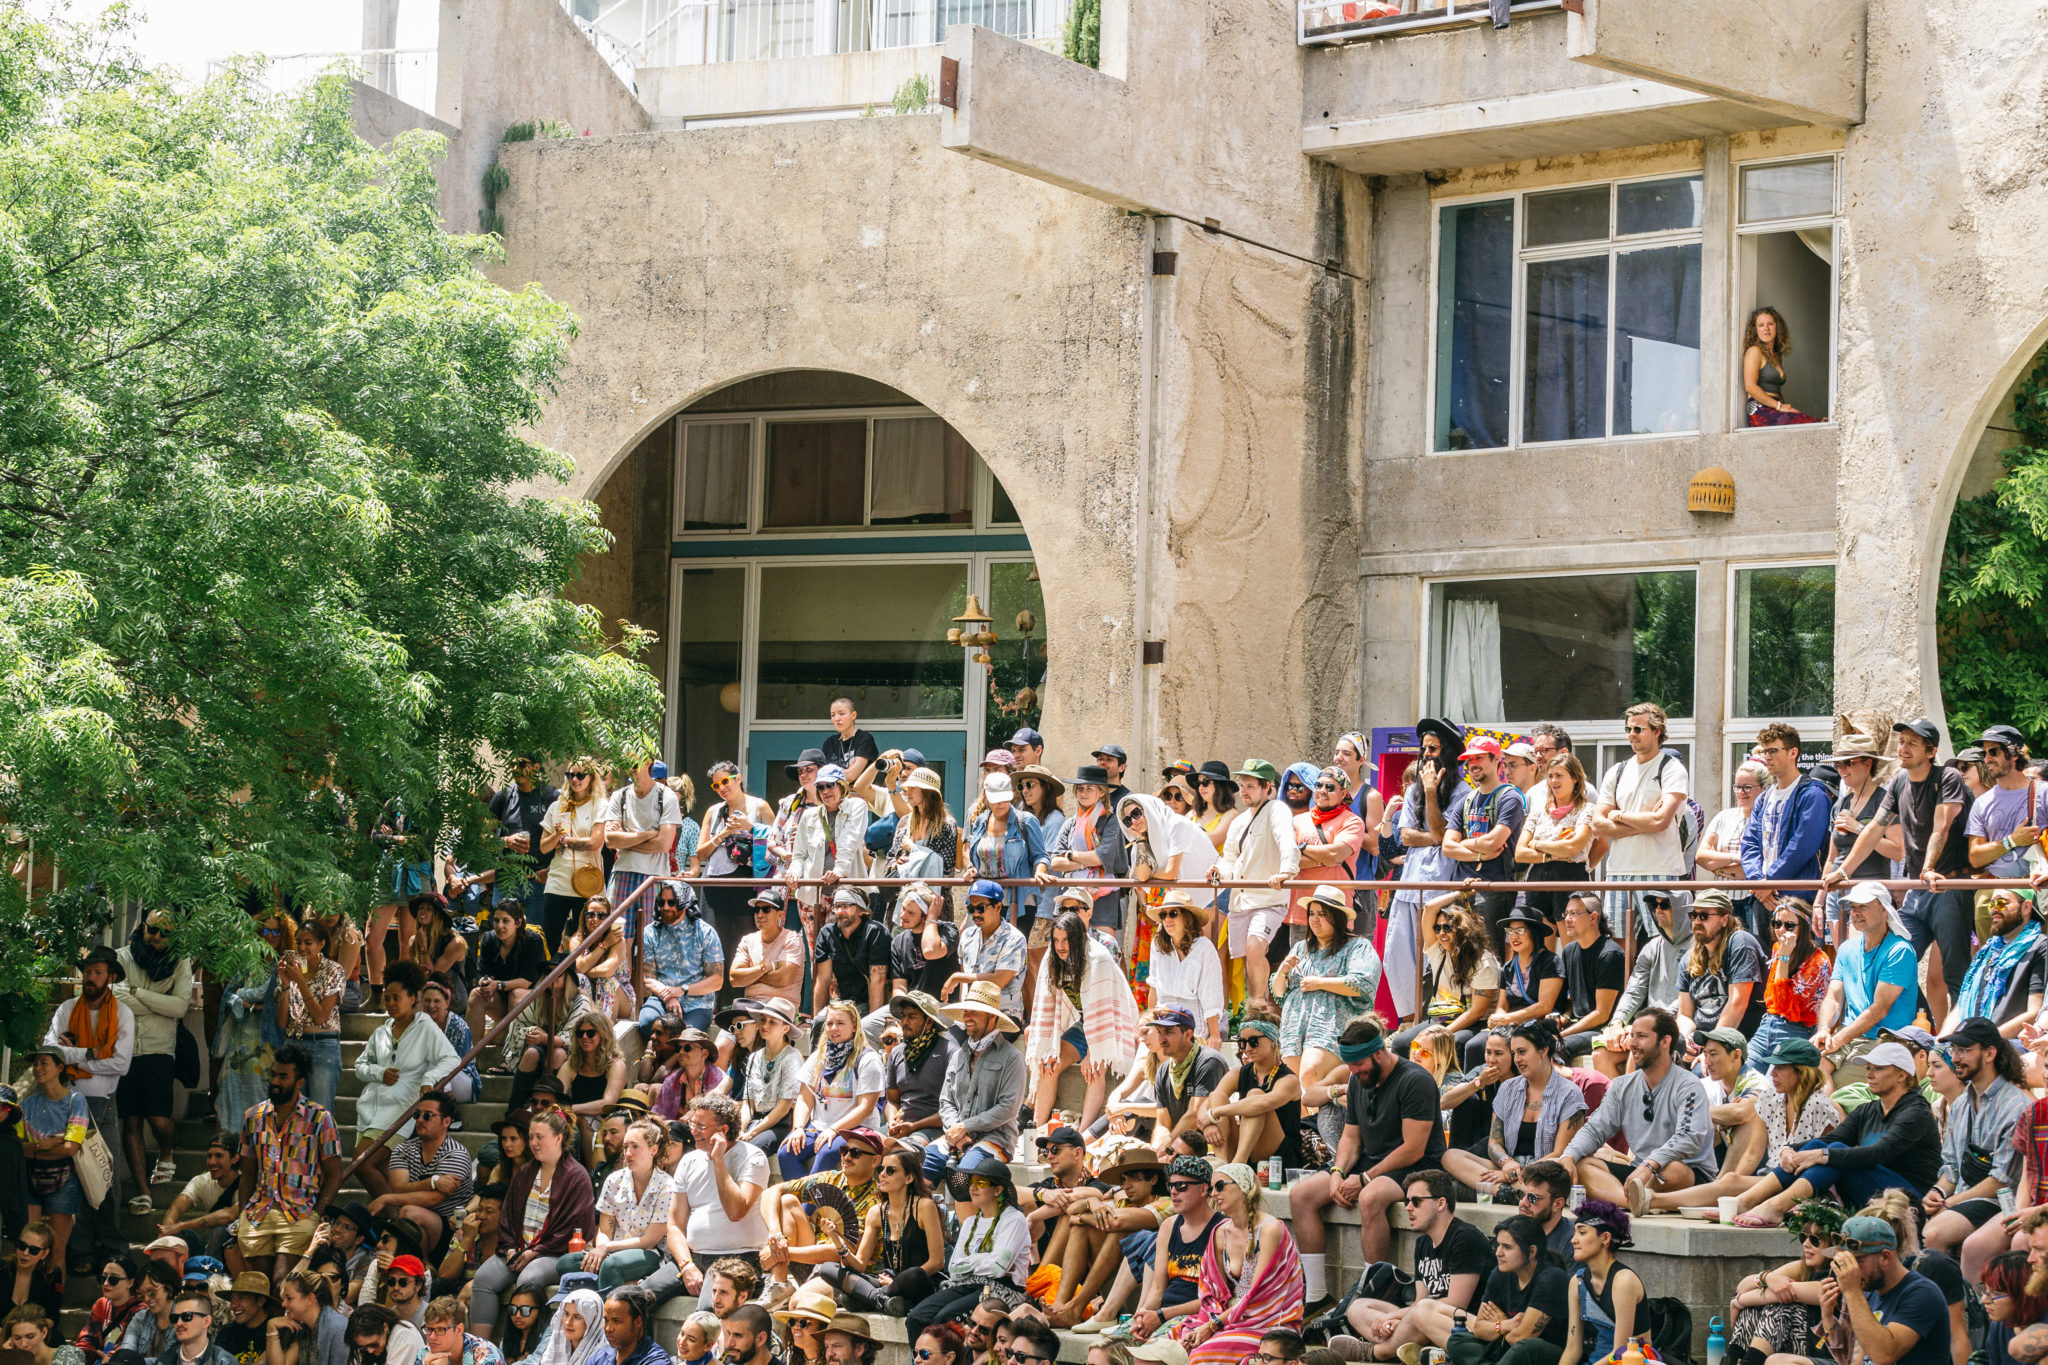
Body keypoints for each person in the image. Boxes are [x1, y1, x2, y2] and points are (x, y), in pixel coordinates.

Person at [1826, 719, 1974, 1028]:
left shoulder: (1947, 777)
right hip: (1919, 891)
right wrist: (1844, 870)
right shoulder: (1898, 782)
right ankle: (1922, 1028)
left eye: (1911, 743)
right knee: (1892, 956)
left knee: (1955, 973)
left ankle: (1964, 1040)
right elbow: (1874, 829)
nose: (1902, 748)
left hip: (1948, 887)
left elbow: (1941, 827)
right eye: (1901, 741)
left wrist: (1929, 868)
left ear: (1931, 751)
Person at [1287, 1017, 1445, 1308]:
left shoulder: (1415, 1080)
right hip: (1370, 1162)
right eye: (1349, 1064)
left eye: (1358, 1063)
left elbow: (1413, 1148)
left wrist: (1364, 1179)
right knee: (1301, 1194)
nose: (1353, 1071)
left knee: (1371, 1197)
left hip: (1416, 1165)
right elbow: (1351, 1138)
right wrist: (1337, 1171)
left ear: (1378, 1053)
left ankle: (1374, 1296)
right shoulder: (1357, 1079)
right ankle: (1317, 1296)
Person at [1732, 1039, 1940, 1227]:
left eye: (1878, 1068)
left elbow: (1879, 1152)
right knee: (1820, 1147)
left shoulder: (1916, 1112)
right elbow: (1829, 1139)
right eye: (1868, 1068)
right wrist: (1790, 1149)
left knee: (1833, 1153)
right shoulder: (1868, 1109)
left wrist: (1822, 1155)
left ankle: (1776, 1206)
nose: (1869, 1074)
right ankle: (1746, 1201)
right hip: (1873, 1192)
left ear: (1902, 1076)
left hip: (1909, 1201)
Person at [1559, 1007, 1715, 1216]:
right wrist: (1569, 1154)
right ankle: (1636, 1203)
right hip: (1639, 1175)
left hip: (1683, 1174)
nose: (1632, 1043)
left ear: (1665, 1041)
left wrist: (1650, 1164)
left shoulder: (1689, 1085)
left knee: (1673, 1170)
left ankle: (1641, 1198)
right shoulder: (1622, 1085)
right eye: (1632, 1035)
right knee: (1583, 1164)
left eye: (1641, 1036)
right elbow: (1596, 1129)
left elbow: (1689, 1138)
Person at [45, 946, 135, 1266]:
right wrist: (92, 1052)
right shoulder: (67, 1008)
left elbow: (121, 1064)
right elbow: (51, 1052)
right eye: (87, 972)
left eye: (97, 972)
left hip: (103, 1102)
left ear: (111, 977)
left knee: (105, 1175)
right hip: (69, 1101)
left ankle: (112, 1247)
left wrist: (74, 1054)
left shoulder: (123, 1013)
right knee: (73, 1178)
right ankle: (80, 1250)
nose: (90, 978)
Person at [466, 1110, 594, 1333]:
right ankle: (482, 1350)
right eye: (531, 1137)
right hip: (519, 1249)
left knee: (529, 1277)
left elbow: (572, 1229)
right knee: (484, 1278)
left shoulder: (577, 1176)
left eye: (539, 1137)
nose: (533, 1143)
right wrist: (510, 1248)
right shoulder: (525, 1173)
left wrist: (535, 1252)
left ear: (558, 1138)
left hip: (555, 1254)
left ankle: (529, 1345)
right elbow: (508, 1217)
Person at [1068, 1152, 1220, 1336]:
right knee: (1106, 1348)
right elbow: (1157, 1290)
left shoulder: (1220, 1230)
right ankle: (1071, 1307)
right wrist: (1141, 1317)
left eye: (1181, 1186)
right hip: (1162, 1310)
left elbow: (1215, 1299)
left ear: (1204, 1189)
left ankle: (1090, 1310)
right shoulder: (1168, 1225)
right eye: (1171, 1185)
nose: (1173, 1191)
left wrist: (1161, 1315)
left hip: (1191, 1317)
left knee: (1140, 1236)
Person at [1169, 1162, 1303, 1365]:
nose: (1213, 1193)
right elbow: (1212, 1293)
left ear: (1242, 1186)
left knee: (1200, 1356)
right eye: (1212, 1188)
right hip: (1228, 1318)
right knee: (1173, 1343)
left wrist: (1212, 1326)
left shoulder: (1270, 1229)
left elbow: (1258, 1297)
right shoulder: (1220, 1232)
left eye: (1220, 1186)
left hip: (1268, 1323)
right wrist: (1206, 1324)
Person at [233, 1045, 343, 1284]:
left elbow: (334, 1173)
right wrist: (243, 1212)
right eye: (273, 1074)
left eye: (283, 1077)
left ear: (299, 1081)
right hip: (258, 1212)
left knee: (283, 1282)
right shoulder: (254, 1116)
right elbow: (248, 1172)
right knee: (258, 1286)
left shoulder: (320, 1119)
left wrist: (318, 1211)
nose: (275, 1081)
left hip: (300, 1212)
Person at [1921, 1019, 2032, 1256]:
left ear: (1990, 1053)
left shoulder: (2015, 1105)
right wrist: (1938, 1193)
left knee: (1933, 1233)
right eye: (1954, 1050)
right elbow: (1951, 1167)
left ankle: (1958, 1293)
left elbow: (2002, 1181)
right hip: (1964, 1197)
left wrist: (1951, 1203)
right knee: (1904, 1219)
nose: (1956, 1058)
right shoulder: (1961, 1103)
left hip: (2001, 1202)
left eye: (1965, 1050)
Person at [351, 964, 460, 1201]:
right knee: (380, 1170)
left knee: (362, 1163)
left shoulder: (424, 1026)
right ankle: (395, 1224)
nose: (390, 1003)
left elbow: (452, 1058)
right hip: (369, 1109)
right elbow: (359, 1066)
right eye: (387, 998)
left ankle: (389, 1214)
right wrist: (379, 1073)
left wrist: (429, 1078)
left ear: (412, 998)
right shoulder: (381, 1031)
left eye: (396, 998)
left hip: (400, 1108)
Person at [1024, 911, 1139, 1132]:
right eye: (1056, 940)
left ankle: (1084, 1133)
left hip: (1112, 1020)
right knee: (1049, 1064)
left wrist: (1090, 1054)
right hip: (1084, 1022)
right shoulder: (1053, 957)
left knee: (1094, 1068)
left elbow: (1103, 1013)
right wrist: (1050, 1044)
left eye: (1066, 940)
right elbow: (1046, 1003)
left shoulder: (1099, 958)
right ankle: (1036, 1130)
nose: (1060, 946)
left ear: (1078, 938)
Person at [1273, 885, 1379, 1125]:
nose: (1315, 919)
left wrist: (1320, 983)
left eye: (1322, 914)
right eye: (1312, 913)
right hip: (1295, 1027)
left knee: (1311, 1071)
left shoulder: (1357, 946)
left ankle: (1325, 1132)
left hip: (1331, 1024)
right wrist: (1282, 971)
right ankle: (1307, 1139)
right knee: (1293, 1089)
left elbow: (1362, 983)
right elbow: (1278, 991)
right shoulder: (1301, 948)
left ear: (1337, 916)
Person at [1385, 721, 1468, 1026]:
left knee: (1437, 959)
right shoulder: (1413, 793)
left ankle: (1437, 1023)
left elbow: (1439, 831)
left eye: (1433, 749)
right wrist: (1434, 836)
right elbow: (1405, 836)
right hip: (1409, 886)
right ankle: (1409, 1022)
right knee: (1397, 959)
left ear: (1447, 754)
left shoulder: (1463, 793)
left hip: (1440, 890)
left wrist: (1432, 795)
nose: (1426, 756)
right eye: (1423, 750)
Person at [1788, 1215, 1952, 1365]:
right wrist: (1828, 1316)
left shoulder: (1922, 1294)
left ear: (1885, 1257)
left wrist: (1852, 1293)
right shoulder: (1868, 1290)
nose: (1851, 1271)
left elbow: (1884, 1356)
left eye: (1857, 1261)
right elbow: (1850, 1358)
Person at [113, 910, 193, 1217]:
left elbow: (180, 1006)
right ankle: (142, 1191)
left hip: (159, 1050)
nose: (157, 937)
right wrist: (158, 1002)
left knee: (159, 1120)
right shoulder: (122, 957)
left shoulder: (180, 961)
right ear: (143, 926)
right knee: (131, 1120)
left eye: (165, 933)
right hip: (125, 1050)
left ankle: (167, 1152)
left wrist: (137, 993)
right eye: (153, 929)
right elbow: (114, 998)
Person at [1589, 704, 1690, 942]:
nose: (1631, 734)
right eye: (1628, 728)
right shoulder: (1617, 770)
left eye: (1638, 728)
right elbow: (1596, 825)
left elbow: (1661, 820)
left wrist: (1618, 815)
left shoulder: (1671, 767)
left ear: (1657, 731)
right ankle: (1625, 983)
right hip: (1619, 871)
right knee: (1617, 944)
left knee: (1665, 941)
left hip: (1660, 870)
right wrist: (1645, 822)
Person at [654, 1099, 767, 1308]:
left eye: (701, 1127)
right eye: (692, 1125)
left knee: (707, 1309)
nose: (694, 1132)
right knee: (634, 1299)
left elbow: (736, 1211)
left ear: (723, 1130)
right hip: (694, 1258)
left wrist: (718, 1160)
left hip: (738, 1259)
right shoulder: (689, 1161)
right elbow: (675, 1225)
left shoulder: (753, 1157)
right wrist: (686, 1265)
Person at [1207, 761, 1301, 1011]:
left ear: (1266, 787)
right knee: (1247, 956)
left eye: (1251, 785)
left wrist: (1287, 871)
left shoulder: (1278, 810)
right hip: (1241, 899)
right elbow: (1229, 858)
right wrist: (1219, 870)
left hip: (1268, 898)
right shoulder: (1239, 821)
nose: (1245, 791)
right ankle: (1253, 1006)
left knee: (1255, 945)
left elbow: (1286, 841)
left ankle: (1259, 1006)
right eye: (1242, 786)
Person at [905, 1154, 1033, 1334]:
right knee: (916, 1317)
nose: (972, 1188)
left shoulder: (1014, 1219)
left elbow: (998, 1269)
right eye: (972, 1182)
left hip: (1004, 1290)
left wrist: (971, 1262)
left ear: (997, 1190)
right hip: (966, 1285)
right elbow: (954, 1269)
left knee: (943, 1320)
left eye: (980, 1183)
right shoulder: (970, 1222)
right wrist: (984, 1259)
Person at [813, 1149, 946, 1315]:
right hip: (887, 1282)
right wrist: (835, 1238)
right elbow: (860, 1264)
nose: (882, 1174)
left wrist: (894, 1283)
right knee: (827, 1269)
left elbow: (937, 1262)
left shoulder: (924, 1206)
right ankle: (882, 1300)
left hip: (919, 1283)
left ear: (909, 1178)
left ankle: (869, 1298)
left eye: (890, 1170)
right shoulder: (877, 1212)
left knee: (914, 1273)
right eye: (881, 1169)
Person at [1811, 881, 1918, 1087]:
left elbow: (1878, 1010)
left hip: (1886, 1040)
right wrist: (1824, 1029)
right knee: (1808, 1072)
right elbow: (1833, 997)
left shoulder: (1900, 951)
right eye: (1852, 907)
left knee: (1831, 1081)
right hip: (1849, 1037)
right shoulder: (1847, 948)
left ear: (1884, 909)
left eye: (1863, 906)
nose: (1855, 912)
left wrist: (1837, 1039)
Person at [921, 984, 1027, 1186]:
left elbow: (1008, 1109)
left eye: (974, 1012)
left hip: (997, 1139)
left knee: (965, 1175)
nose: (967, 1017)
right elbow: (946, 1102)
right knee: (916, 1169)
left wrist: (965, 1127)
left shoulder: (1012, 1058)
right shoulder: (960, 1055)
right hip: (956, 1136)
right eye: (965, 1012)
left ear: (992, 1017)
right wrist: (957, 1131)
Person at [551, 1117, 672, 1292]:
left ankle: (606, 1313)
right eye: (625, 1147)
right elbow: (605, 1230)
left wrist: (607, 1247)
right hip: (614, 1250)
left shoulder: (666, 1186)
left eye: (635, 1147)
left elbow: (648, 1241)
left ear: (653, 1149)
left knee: (611, 1265)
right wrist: (602, 1247)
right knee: (566, 1263)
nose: (628, 1153)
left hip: (650, 1253)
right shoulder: (614, 1180)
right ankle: (618, 1281)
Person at [1739, 724, 1834, 938]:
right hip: (1764, 898)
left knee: (1802, 966)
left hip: (1798, 899)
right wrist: (1757, 883)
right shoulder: (1764, 797)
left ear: (1793, 753)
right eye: (1764, 752)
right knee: (1768, 967)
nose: (1767, 757)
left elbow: (1802, 846)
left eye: (1773, 751)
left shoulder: (1812, 794)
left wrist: (1770, 882)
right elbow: (1750, 842)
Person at [778, 999, 884, 1179]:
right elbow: (805, 1098)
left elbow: (865, 1108)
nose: (833, 1028)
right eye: (830, 1023)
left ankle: (803, 1207)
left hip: (856, 1128)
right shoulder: (818, 1057)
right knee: (785, 1152)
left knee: (826, 1153)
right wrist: (798, 1128)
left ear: (854, 1026)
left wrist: (835, 1129)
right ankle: (806, 1204)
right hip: (819, 1126)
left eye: (840, 1023)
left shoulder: (868, 1060)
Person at [1486, 1023, 1588, 1200]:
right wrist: (1506, 1162)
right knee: (1452, 1157)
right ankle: (1514, 1192)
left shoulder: (1569, 1093)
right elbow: (1494, 1141)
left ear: (1543, 1050)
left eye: (1522, 1052)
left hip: (1545, 1173)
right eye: (1514, 1053)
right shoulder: (1507, 1088)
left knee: (1463, 1185)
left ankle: (1511, 1190)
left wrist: (1517, 1174)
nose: (1516, 1059)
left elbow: (1560, 1154)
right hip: (1510, 1167)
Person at [1441, 740, 1527, 945]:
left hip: (1493, 889)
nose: (1473, 763)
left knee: (1489, 956)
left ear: (1496, 759)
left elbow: (1494, 841)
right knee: (1456, 956)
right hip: (1459, 887)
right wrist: (1479, 853)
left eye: (1479, 757)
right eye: (1469, 759)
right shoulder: (1465, 800)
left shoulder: (1510, 798)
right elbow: (1447, 847)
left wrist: (1464, 842)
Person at [1394, 896, 1498, 1062]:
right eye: (1437, 928)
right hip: (1442, 1018)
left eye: (1447, 927)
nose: (1441, 933)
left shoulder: (1483, 961)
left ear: (1462, 929)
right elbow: (1428, 908)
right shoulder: (1439, 952)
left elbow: (1477, 1012)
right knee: (1402, 1043)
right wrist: (1459, 893)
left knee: (1452, 1043)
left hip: (1474, 1023)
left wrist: (1444, 1033)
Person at [371, 1092, 472, 1253]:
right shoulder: (403, 1149)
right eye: (417, 1114)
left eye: (427, 1116)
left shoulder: (456, 1154)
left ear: (446, 1121)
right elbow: (399, 1188)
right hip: (409, 1226)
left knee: (409, 1212)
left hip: (450, 1231)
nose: (419, 1120)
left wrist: (387, 1198)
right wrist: (433, 1182)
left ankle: (421, 1269)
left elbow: (433, 1199)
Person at [1194, 1016, 1301, 1169]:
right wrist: (1208, 1126)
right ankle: (1222, 1165)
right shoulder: (1238, 1073)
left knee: (1255, 1097)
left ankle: (1238, 1166)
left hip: (1280, 1158)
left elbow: (1263, 1103)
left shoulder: (1289, 1079)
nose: (1247, 1048)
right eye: (1242, 1043)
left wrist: (1214, 1113)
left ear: (1272, 1040)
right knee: (1216, 1096)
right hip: (1247, 1149)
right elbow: (1208, 1103)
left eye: (1253, 1041)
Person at [21, 1051, 90, 1278]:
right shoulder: (28, 1104)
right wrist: (47, 1146)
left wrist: (34, 1150)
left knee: (56, 1251)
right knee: (28, 1249)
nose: (38, 1068)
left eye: (44, 1063)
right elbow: (18, 1148)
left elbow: (70, 1148)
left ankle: (53, 1306)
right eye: (35, 1064)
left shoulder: (75, 1100)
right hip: (30, 1180)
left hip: (65, 1180)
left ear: (60, 1067)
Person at [1749, 896, 1833, 1072]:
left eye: (1789, 925)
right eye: (1776, 924)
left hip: (1795, 1031)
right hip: (1767, 1026)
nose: (1781, 930)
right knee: (1743, 1077)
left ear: (1804, 927)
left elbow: (1783, 1005)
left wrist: (1784, 958)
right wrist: (1783, 955)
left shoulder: (1819, 961)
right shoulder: (1778, 948)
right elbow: (1770, 997)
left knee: (1774, 1086)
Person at [1947, 888, 2045, 1036]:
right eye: (1991, 905)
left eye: (2000, 903)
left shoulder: (2040, 946)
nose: (1993, 909)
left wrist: (1987, 1040)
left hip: (2009, 1043)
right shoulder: (1987, 951)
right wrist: (1941, 1041)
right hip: (1973, 1041)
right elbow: (1960, 1007)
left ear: (2026, 907)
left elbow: (2034, 1011)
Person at [1516, 755, 1598, 930]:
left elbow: (1572, 847)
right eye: (1550, 776)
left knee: (1572, 941)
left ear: (1575, 778)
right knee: (1539, 943)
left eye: (1559, 775)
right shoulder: (1539, 810)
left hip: (1570, 876)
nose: (1553, 780)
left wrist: (1536, 844)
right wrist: (1553, 854)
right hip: (1537, 878)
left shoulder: (1587, 809)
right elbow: (1520, 853)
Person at [1554, 1201, 1640, 1365]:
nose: (1573, 1240)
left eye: (1582, 1232)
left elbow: (1621, 1352)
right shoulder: (1577, 1282)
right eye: (1574, 1233)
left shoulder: (1623, 1281)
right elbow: (1573, 1349)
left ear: (1605, 1238)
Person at [602, 763, 684, 935]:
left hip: (655, 875)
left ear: (648, 763)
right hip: (623, 871)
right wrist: (648, 834)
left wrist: (625, 839)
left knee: (651, 939)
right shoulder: (620, 795)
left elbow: (663, 844)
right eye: (626, 762)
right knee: (618, 936)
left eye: (635, 763)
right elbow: (610, 840)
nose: (631, 768)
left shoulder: (666, 795)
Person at [467, 905, 550, 1074]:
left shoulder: (533, 940)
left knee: (516, 994)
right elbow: (484, 973)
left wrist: (497, 984)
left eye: (506, 921)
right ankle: (470, 1059)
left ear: (518, 922)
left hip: (532, 1006)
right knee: (476, 995)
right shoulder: (489, 939)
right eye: (496, 920)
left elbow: (527, 982)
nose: (499, 926)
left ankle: (510, 1060)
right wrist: (485, 984)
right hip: (503, 1005)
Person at [1676, 888, 1765, 1039]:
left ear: (1724, 920)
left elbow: (1737, 1004)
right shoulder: (1688, 958)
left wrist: (1711, 1045)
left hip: (1737, 1039)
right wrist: (1685, 1040)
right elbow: (1685, 1014)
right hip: (1701, 1039)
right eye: (1694, 915)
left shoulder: (1740, 942)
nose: (1697, 921)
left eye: (1704, 916)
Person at [1288, 768, 1365, 943]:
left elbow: (1334, 854)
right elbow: (1289, 859)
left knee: (1334, 968)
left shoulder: (1352, 822)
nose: (1322, 790)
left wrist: (1300, 847)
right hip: (1301, 910)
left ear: (1343, 793)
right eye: (1318, 785)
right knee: (1299, 966)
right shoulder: (1297, 821)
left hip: (1335, 911)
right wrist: (1325, 861)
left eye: (1330, 787)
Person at [638, 883, 724, 1035]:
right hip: (661, 997)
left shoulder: (705, 932)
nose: (665, 907)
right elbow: (647, 977)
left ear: (685, 904)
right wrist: (668, 996)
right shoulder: (650, 932)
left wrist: (680, 991)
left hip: (697, 1002)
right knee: (647, 1022)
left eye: (672, 903)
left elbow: (717, 980)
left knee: (686, 1036)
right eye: (661, 902)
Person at [882, 991, 956, 1161]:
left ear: (929, 1021)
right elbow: (892, 1100)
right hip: (902, 1126)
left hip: (933, 1128)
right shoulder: (897, 1053)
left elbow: (952, 1110)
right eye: (903, 1016)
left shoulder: (949, 1052)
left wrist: (914, 1126)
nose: (905, 1022)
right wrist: (892, 1120)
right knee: (860, 1146)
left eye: (912, 1017)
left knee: (899, 1152)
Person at [1148, 894, 1226, 1049]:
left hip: (1192, 1019)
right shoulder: (1157, 944)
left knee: (1173, 1046)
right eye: (1164, 915)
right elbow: (1154, 987)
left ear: (1187, 917)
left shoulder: (1204, 948)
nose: (1167, 920)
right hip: (1162, 1015)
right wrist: (1150, 1023)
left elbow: (1211, 993)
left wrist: (1214, 1034)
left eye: (1173, 914)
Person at [1550, 895, 1622, 1062]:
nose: (1567, 919)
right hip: (1577, 1025)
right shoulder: (1569, 950)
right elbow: (1571, 1001)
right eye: (1566, 913)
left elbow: (1601, 1014)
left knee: (1557, 1047)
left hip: (1602, 1029)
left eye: (1574, 913)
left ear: (1593, 917)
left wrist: (1564, 1034)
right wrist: (1563, 1016)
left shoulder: (1610, 955)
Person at [1486, 906, 1561, 1063]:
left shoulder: (1550, 961)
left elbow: (1544, 1006)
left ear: (1535, 932)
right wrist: (1498, 1016)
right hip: (1510, 1025)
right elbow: (1502, 1005)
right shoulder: (1509, 966)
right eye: (1510, 931)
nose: (1514, 936)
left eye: (1520, 931)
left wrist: (1507, 1018)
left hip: (1537, 1025)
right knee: (1477, 1044)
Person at [1149, 1010, 1231, 1152]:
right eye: (1159, 1032)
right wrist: (1157, 1148)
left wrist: (1167, 1148)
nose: (1161, 1039)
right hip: (1179, 1149)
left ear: (1188, 1035)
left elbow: (1194, 1116)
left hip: (1211, 1148)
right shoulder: (1163, 1071)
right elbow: (1162, 1123)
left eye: (1168, 1032)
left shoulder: (1209, 1061)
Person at [737, 999, 804, 1161]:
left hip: (781, 1124)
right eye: (763, 1020)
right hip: (756, 1120)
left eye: (772, 1022)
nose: (765, 1025)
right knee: (730, 1146)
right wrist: (740, 1129)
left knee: (750, 1150)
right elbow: (748, 1103)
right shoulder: (754, 1058)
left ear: (785, 1028)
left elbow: (784, 1106)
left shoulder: (791, 1057)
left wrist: (752, 1133)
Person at [808, 888, 889, 1021]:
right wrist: (816, 1019)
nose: (840, 912)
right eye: (837, 906)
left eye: (846, 906)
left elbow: (878, 980)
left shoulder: (875, 932)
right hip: (845, 1003)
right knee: (820, 1022)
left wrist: (873, 1022)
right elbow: (823, 980)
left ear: (862, 910)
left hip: (871, 1004)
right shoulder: (827, 933)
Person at [728, 888, 804, 1015]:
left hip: (781, 1008)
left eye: (766, 909)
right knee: (726, 1033)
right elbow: (734, 978)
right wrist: (765, 968)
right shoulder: (748, 940)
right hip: (750, 1006)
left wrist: (750, 976)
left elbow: (783, 978)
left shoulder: (792, 938)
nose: (760, 914)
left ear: (780, 915)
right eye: (756, 910)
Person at [421, 1297, 502, 1365]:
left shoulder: (487, 1357)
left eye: (440, 1330)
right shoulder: (427, 1351)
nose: (432, 1337)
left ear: (459, 1329)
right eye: (429, 1329)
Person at [821, 698, 880, 786]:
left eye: (841, 713)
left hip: (860, 795)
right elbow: (821, 776)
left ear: (854, 715)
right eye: (833, 715)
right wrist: (846, 772)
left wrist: (829, 774)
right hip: (834, 795)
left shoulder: (864, 739)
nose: (837, 718)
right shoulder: (829, 742)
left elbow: (852, 775)